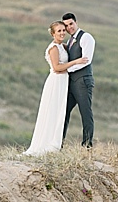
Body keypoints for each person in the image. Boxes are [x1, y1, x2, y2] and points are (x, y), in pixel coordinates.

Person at [22, 21, 88, 156]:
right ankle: (46, 144)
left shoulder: (63, 46)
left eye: (64, 30)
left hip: (63, 83)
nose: (63, 33)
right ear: (53, 33)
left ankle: (54, 143)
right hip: (56, 82)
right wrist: (75, 62)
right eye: (59, 31)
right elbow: (57, 67)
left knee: (59, 113)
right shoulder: (53, 48)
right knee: (52, 112)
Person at [61, 13, 95, 147]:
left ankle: (87, 146)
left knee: (85, 113)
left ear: (76, 22)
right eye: (66, 26)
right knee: (64, 112)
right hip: (71, 83)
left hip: (83, 82)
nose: (69, 27)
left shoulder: (86, 37)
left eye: (71, 24)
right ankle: (58, 143)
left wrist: (66, 70)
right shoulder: (70, 41)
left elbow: (86, 61)